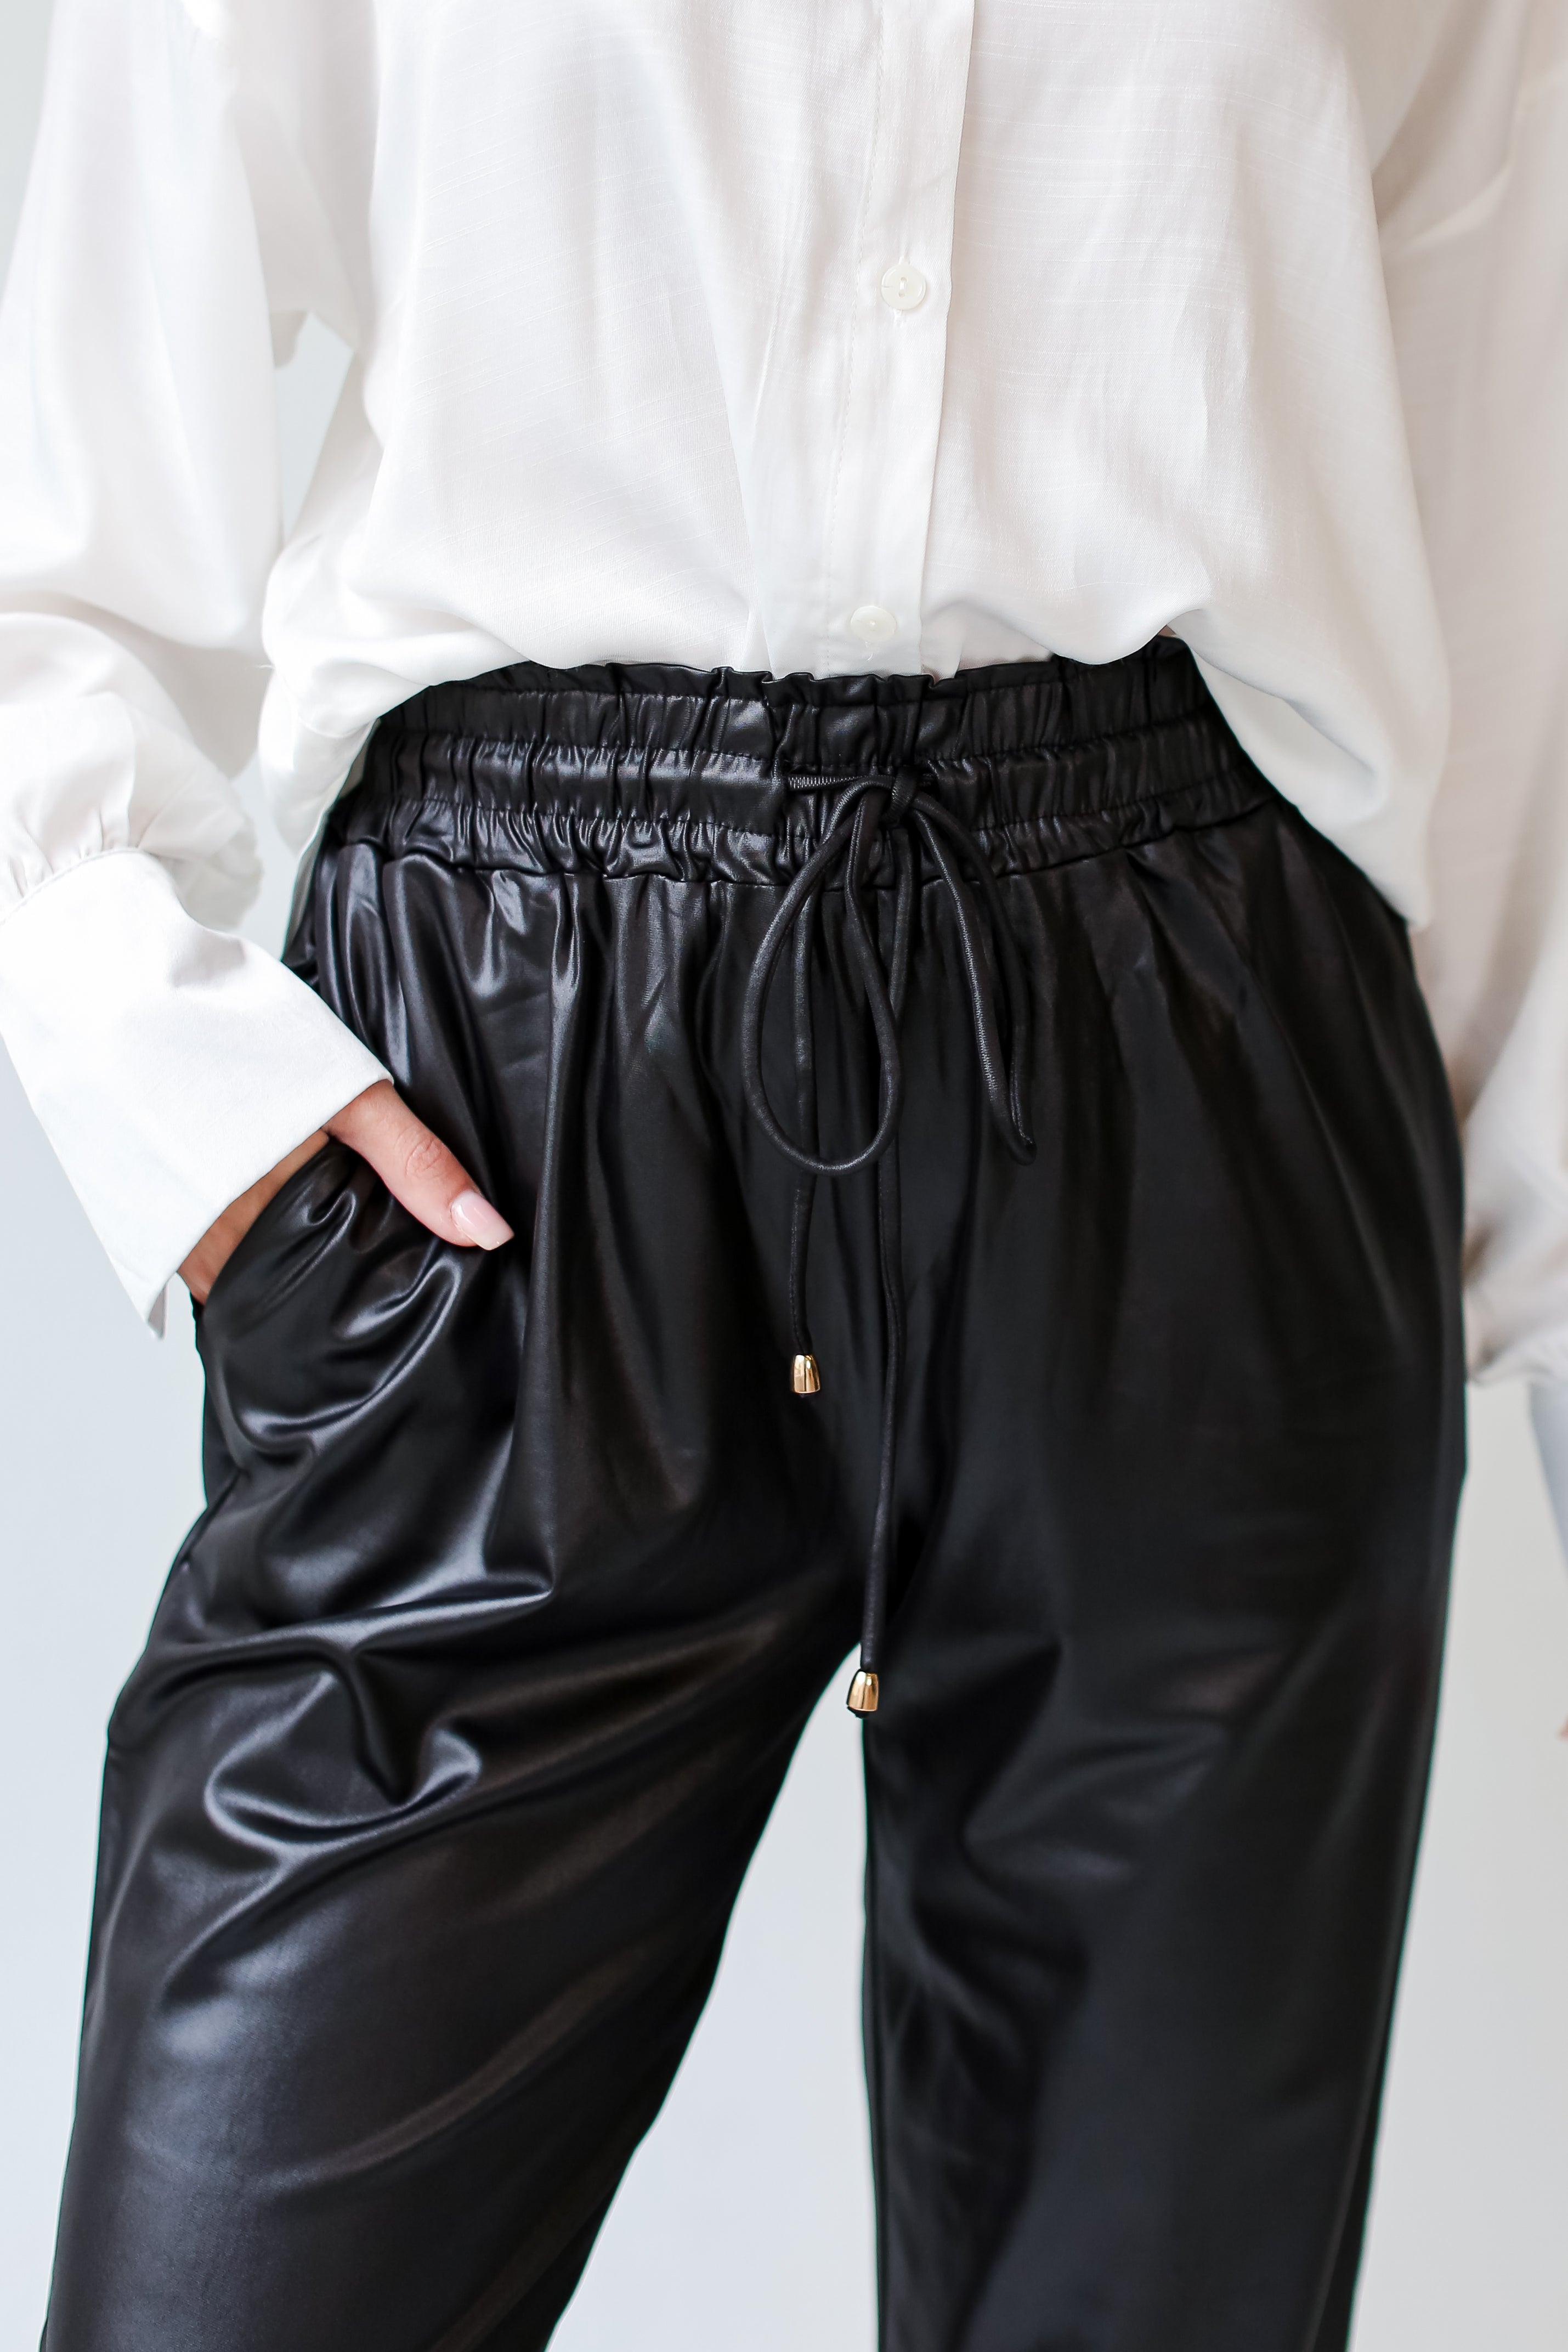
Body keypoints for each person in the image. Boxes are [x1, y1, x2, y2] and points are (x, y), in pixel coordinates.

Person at [1, 3, 1564, 2347]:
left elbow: (1512, 542)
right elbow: (72, 510)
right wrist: (186, 1096)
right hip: (512, 1128)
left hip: (1195, 1091)